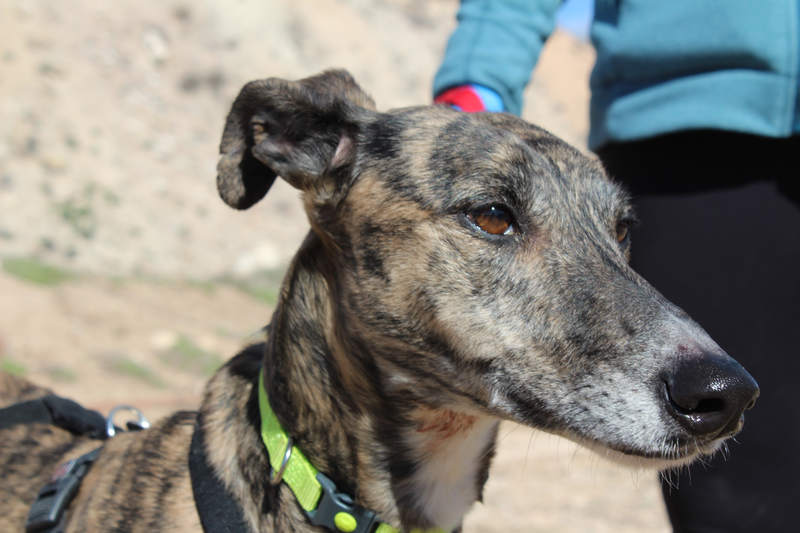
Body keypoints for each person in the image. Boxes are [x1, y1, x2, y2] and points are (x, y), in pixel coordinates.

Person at [432, 1, 800, 532]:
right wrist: (475, 90)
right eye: (495, 218)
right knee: (740, 497)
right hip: (693, 122)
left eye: (617, 234)